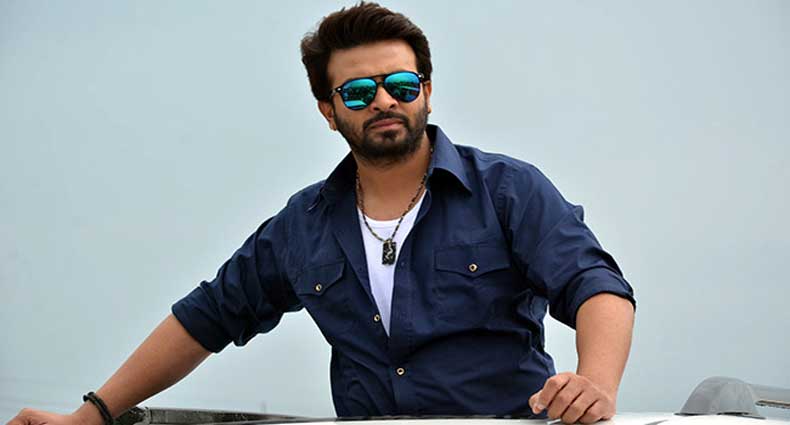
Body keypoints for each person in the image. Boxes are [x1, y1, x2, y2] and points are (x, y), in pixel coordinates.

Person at [7, 2, 635, 425]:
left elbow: (595, 285)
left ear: (427, 91)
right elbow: (205, 318)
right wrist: (89, 416)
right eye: (358, 92)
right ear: (328, 112)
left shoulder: (507, 191)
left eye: (401, 84)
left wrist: (597, 383)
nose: (383, 100)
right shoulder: (302, 225)